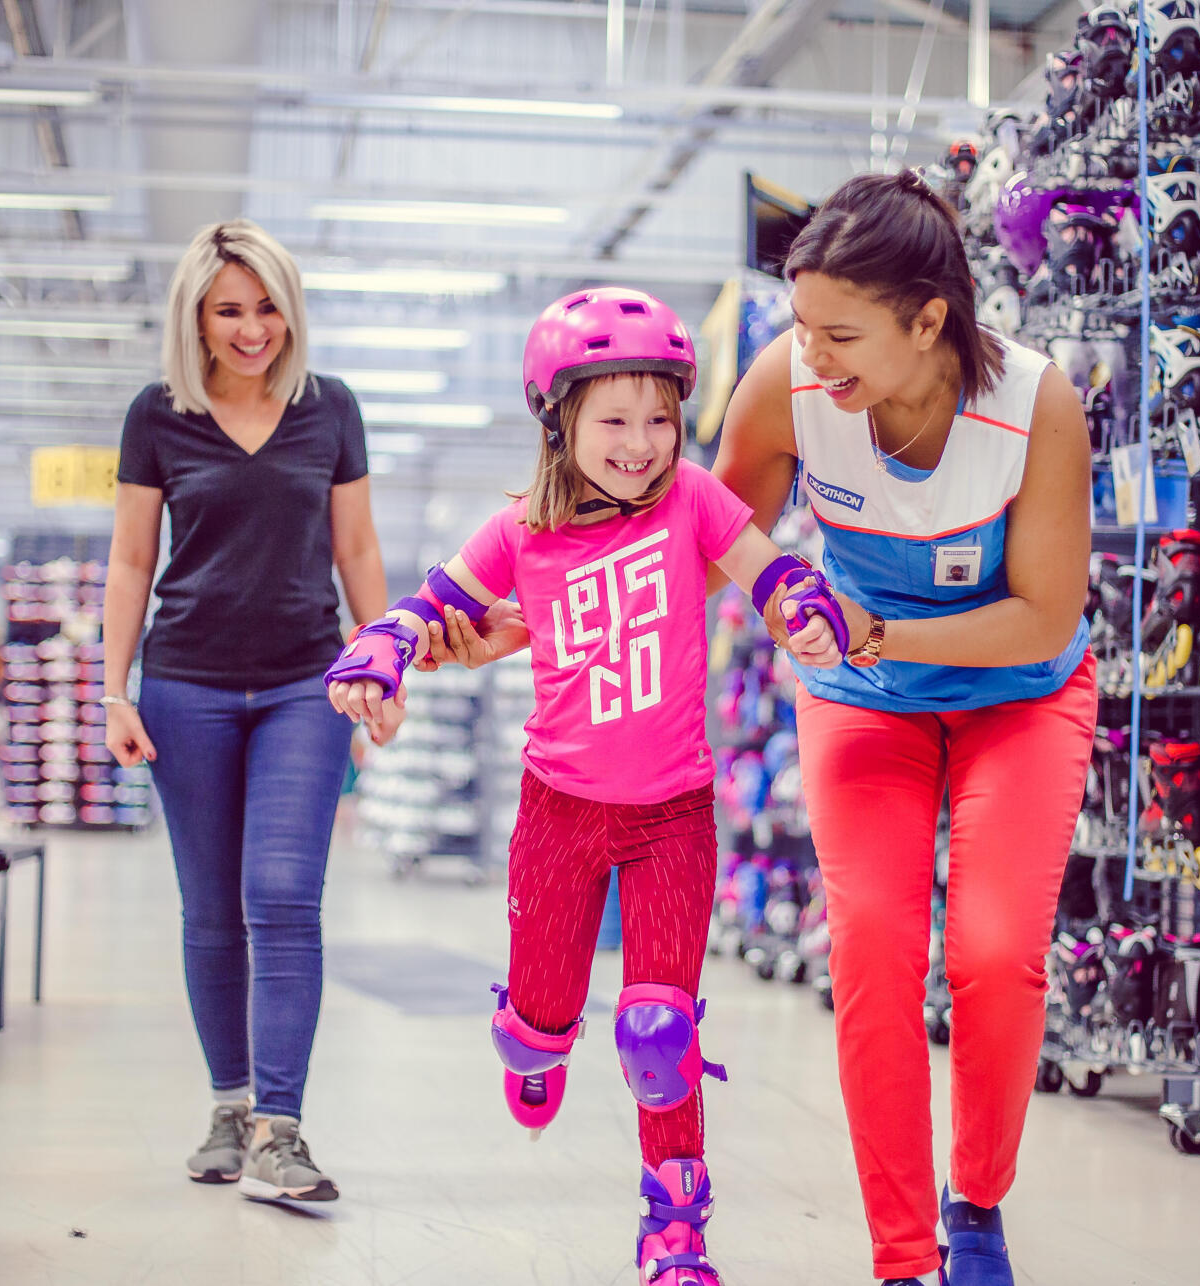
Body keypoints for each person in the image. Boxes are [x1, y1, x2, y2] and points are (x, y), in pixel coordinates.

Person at [325, 287, 845, 1286]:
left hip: (675, 814)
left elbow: (769, 570)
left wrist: (804, 607)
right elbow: (427, 608)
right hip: (558, 814)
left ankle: (676, 1227)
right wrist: (378, 655)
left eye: (661, 416)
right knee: (537, 1026)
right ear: (559, 420)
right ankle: (534, 1041)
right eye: (615, 417)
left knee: (661, 1028)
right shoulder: (521, 529)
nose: (643, 441)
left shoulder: (693, 498)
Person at [712, 171, 1097, 1286]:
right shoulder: (788, 386)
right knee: (875, 950)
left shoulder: (1037, 403)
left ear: (930, 320)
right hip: (861, 699)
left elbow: (1041, 615)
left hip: (1017, 694)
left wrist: (877, 628)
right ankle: (902, 1254)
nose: (811, 354)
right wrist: (538, 608)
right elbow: (708, 534)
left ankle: (974, 1203)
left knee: (992, 952)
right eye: (801, 326)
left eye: (841, 333)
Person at [102, 218, 389, 1206]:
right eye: (231, 308)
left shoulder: (330, 409)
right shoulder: (157, 415)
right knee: (211, 909)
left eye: (268, 306)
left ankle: (280, 1127)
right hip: (185, 684)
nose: (253, 326)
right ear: (198, 315)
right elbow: (133, 558)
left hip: (307, 684)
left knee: (281, 896)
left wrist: (381, 661)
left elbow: (356, 550)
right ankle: (229, 1105)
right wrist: (113, 688)